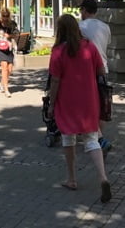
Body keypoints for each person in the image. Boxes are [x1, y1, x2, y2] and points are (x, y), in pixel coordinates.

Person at [47, 14, 111, 203]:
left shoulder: (58, 51)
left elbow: (55, 80)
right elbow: (100, 70)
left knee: (68, 137)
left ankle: (72, 179)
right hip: (89, 99)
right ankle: (103, 177)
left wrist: (51, 104)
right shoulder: (89, 46)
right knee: (91, 139)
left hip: (67, 100)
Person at [79, 0, 112, 153]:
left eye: (81, 10)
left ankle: (98, 139)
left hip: (88, 71)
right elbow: (107, 44)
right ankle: (100, 136)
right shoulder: (105, 27)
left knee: (87, 105)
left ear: (85, 10)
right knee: (102, 106)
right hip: (104, 69)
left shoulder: (81, 27)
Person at [0, 7, 18, 97]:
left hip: (9, 46)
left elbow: (16, 34)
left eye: (7, 16)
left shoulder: (12, 24)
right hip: (0, 46)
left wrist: (9, 35)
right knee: (4, 66)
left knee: (9, 69)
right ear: (1, 15)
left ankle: (3, 83)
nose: (5, 17)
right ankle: (7, 90)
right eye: (3, 16)